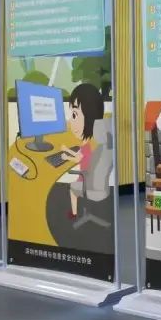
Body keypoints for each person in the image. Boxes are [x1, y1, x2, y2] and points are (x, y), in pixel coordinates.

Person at [62, 83, 104, 220]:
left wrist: (66, 157)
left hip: (85, 180)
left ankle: (74, 213)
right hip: (92, 179)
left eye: (74, 115)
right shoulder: (90, 143)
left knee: (72, 190)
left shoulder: (87, 146)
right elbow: (79, 156)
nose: (70, 121)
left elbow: (77, 159)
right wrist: (67, 150)